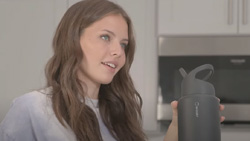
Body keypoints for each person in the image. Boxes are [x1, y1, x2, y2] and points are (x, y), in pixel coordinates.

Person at [0, 0, 225, 141]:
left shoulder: (118, 112)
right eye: (105, 37)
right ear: (72, 40)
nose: (118, 52)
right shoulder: (32, 109)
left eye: (123, 44)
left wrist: (178, 126)